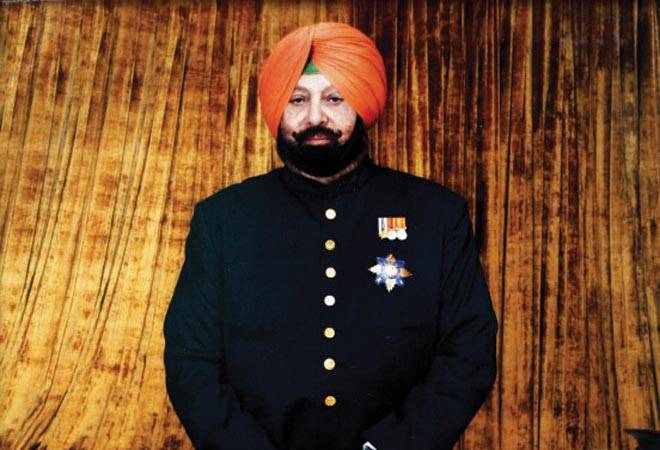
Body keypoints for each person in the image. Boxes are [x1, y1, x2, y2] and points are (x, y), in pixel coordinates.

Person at [163, 22, 498, 450]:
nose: (315, 117)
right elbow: (190, 360)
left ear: (361, 103)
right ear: (278, 108)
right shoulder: (223, 220)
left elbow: (468, 354)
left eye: (335, 98)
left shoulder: (436, 215)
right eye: (298, 99)